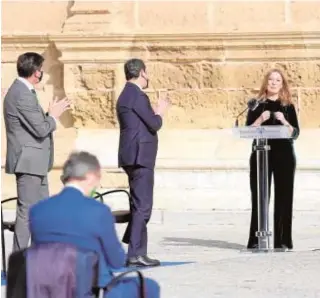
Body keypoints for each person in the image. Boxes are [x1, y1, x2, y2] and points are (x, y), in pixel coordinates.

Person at [29, 151, 160, 297]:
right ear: (90, 176)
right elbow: (116, 261)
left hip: (50, 289)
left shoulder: (38, 210)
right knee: (150, 287)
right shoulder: (98, 211)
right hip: (90, 289)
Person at [3, 52, 70, 251]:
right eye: (41, 70)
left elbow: (36, 124)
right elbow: (41, 129)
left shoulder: (24, 92)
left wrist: (49, 114)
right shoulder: (21, 94)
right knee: (27, 214)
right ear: (35, 72)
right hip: (28, 163)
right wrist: (54, 117)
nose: (42, 73)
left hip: (36, 164)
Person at [116, 58, 169, 267]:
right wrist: (160, 111)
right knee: (143, 206)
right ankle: (134, 254)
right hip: (140, 157)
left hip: (132, 156)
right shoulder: (137, 95)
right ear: (142, 73)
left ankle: (138, 250)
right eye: (146, 73)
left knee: (139, 205)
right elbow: (154, 124)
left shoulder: (126, 94)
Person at [246, 68, 300, 250]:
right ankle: (256, 240)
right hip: (261, 154)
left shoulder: (288, 106)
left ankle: (282, 240)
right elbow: (248, 130)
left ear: (282, 84)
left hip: (284, 155)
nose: (274, 83)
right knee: (259, 197)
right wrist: (260, 118)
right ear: (266, 83)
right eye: (271, 80)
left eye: (278, 80)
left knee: (284, 198)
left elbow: (295, 133)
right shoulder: (256, 105)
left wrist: (285, 121)